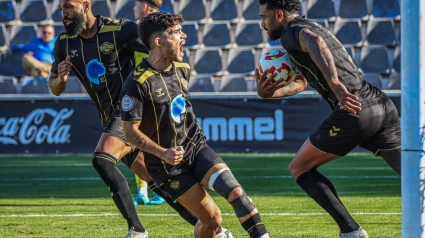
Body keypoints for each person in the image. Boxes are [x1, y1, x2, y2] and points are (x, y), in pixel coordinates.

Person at [48, 0, 232, 237]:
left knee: (102, 159)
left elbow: (159, 47)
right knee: (157, 181)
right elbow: (54, 87)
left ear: (85, 5)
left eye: (69, 7)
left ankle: (137, 231)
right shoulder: (64, 43)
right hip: (110, 118)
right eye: (61, 9)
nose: (64, 13)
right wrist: (60, 79)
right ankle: (214, 229)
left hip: (130, 110)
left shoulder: (119, 29)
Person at [256, 0, 401, 237]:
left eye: (264, 17)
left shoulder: (293, 33)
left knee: (299, 167)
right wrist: (269, 92)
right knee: (413, 171)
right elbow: (302, 82)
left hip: (354, 108)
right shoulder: (311, 26)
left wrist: (335, 84)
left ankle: (351, 231)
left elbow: (316, 43)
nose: (263, 24)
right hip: (380, 104)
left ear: (279, 15)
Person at [121, 11, 269, 238]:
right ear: (159, 42)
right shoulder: (137, 83)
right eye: (176, 32)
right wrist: (163, 153)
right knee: (212, 220)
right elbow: (130, 133)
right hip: (167, 167)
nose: (184, 36)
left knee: (237, 193)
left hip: (196, 148)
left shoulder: (182, 70)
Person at [132, 0, 165, 206]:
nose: (133, 8)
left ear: (144, 6)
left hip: (152, 88)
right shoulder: (161, 27)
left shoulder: (147, 30)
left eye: (136, 4)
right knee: (139, 142)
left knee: (155, 142)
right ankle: (143, 191)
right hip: (141, 88)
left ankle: (161, 188)